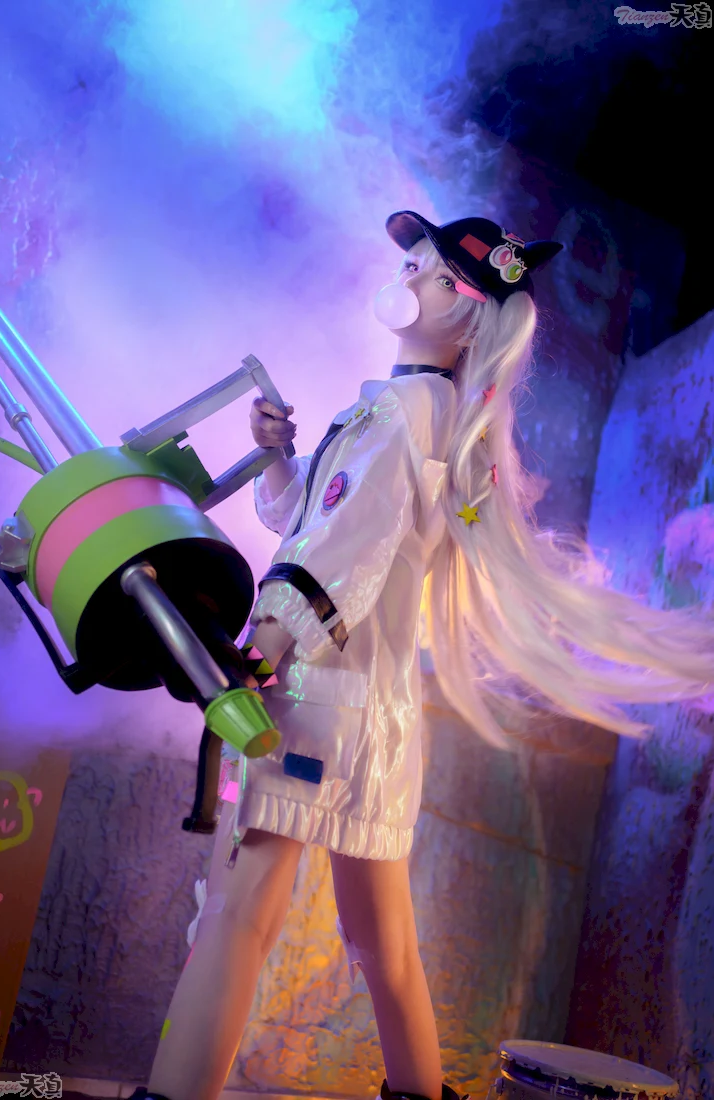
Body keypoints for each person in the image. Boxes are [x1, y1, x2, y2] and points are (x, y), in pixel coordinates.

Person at [133, 212, 714, 1100]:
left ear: (468, 314)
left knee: (238, 914)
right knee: (382, 943)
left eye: (434, 272)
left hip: (321, 705)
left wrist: (271, 638)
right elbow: (315, 520)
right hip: (372, 719)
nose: (408, 273)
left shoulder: (407, 413)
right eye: (411, 259)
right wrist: (279, 458)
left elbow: (347, 547)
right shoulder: (421, 412)